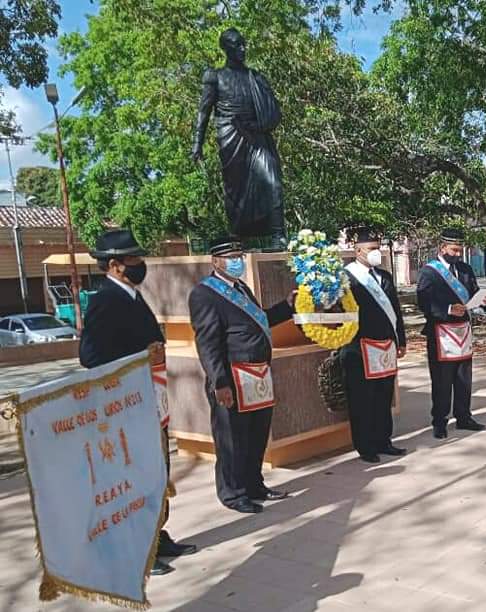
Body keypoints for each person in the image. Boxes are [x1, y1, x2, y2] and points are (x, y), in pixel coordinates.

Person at [80, 229, 196, 576]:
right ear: (114, 265)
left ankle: (157, 534)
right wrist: (140, 356)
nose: (139, 264)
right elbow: (90, 356)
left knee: (155, 472)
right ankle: (138, 550)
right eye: (133, 259)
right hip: (124, 404)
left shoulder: (132, 295)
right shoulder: (105, 300)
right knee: (133, 477)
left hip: (148, 400)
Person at [188, 237, 295, 514]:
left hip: (256, 375)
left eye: (239, 256)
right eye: (231, 257)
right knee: (232, 439)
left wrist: (287, 306)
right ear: (216, 261)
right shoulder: (205, 294)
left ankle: (253, 485)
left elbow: (259, 320)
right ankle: (233, 493)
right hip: (232, 379)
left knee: (256, 435)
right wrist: (219, 382)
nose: (238, 261)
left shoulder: (241, 289)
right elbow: (208, 343)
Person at [192, 28, 286, 249]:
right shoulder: (214, 76)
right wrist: (197, 143)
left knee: (273, 182)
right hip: (231, 137)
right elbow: (204, 111)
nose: (243, 49)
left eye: (244, 44)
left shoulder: (255, 77)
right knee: (236, 192)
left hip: (257, 137)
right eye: (237, 45)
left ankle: (278, 235)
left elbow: (273, 108)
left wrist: (261, 124)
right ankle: (238, 238)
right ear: (226, 48)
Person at [416, 228, 486, 439]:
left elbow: (474, 294)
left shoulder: (465, 269)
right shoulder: (429, 272)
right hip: (441, 332)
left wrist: (484, 301)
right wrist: (448, 309)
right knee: (442, 380)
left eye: (460, 250)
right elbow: (424, 302)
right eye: (454, 250)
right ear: (443, 247)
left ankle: (464, 417)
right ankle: (440, 421)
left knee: (463, 378)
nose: (458, 254)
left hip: (463, 331)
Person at [341, 228, 408, 462]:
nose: (376, 252)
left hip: (385, 345)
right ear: (357, 251)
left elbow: (396, 311)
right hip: (359, 346)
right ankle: (365, 446)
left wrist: (401, 339)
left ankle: (383, 441)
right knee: (363, 399)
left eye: (378, 248)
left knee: (383, 396)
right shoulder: (346, 278)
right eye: (371, 249)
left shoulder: (385, 276)